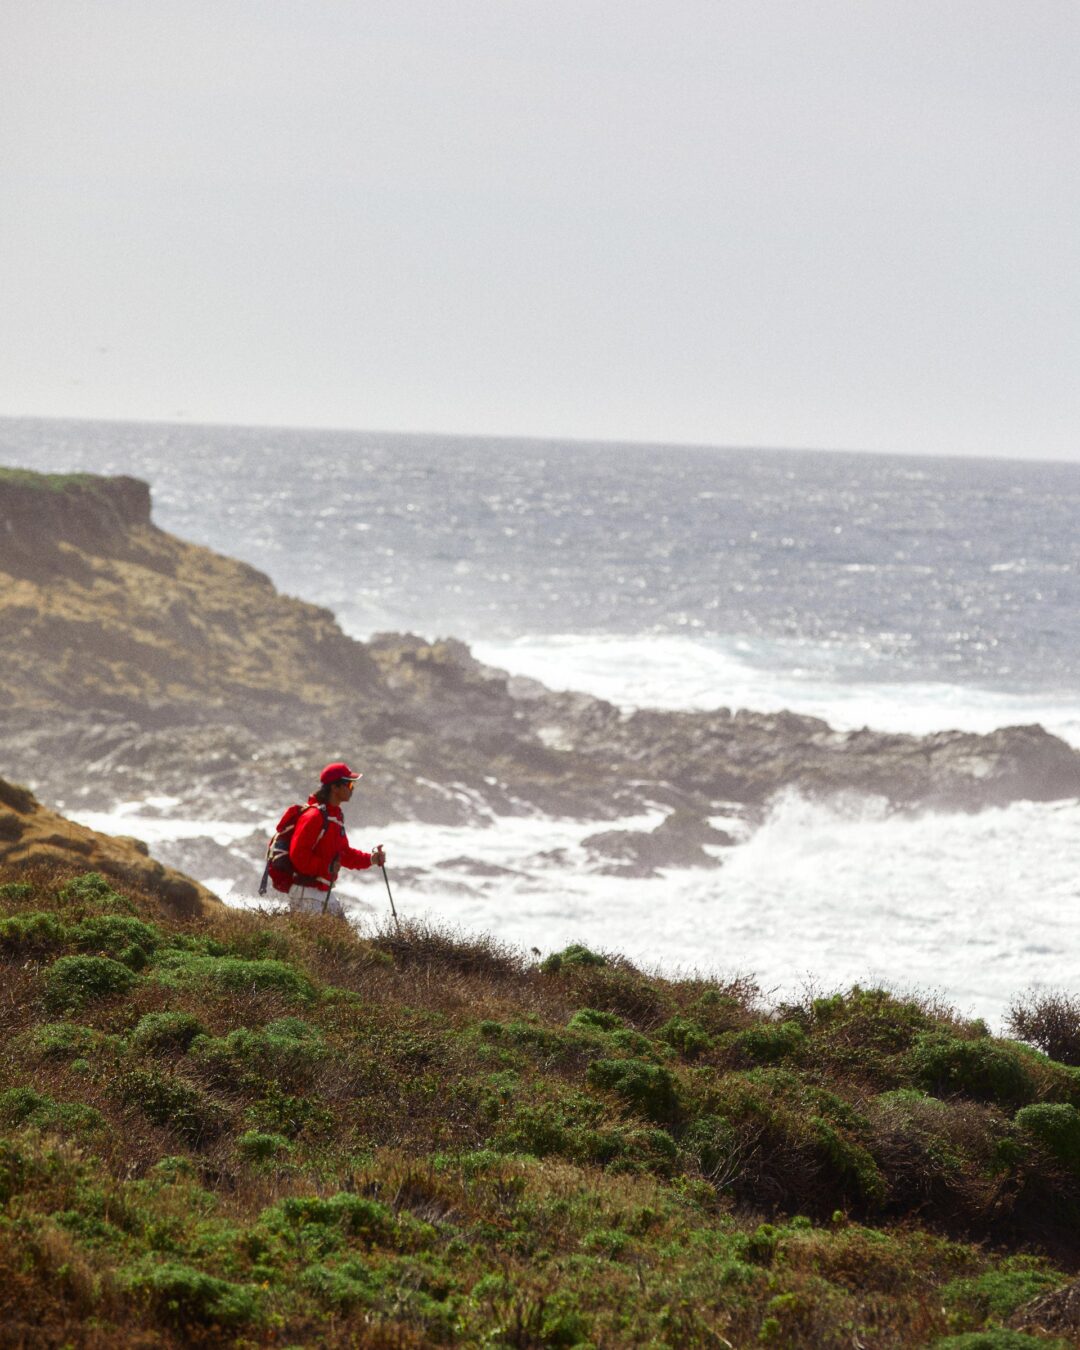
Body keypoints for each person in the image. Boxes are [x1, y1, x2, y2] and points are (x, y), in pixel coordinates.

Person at [287, 761, 386, 915]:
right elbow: (297, 854)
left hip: (323, 891)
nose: (352, 789)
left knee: (345, 937)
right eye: (349, 785)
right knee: (321, 938)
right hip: (306, 892)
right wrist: (325, 867)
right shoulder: (314, 816)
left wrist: (371, 859)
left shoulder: (335, 816)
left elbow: (344, 853)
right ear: (334, 787)